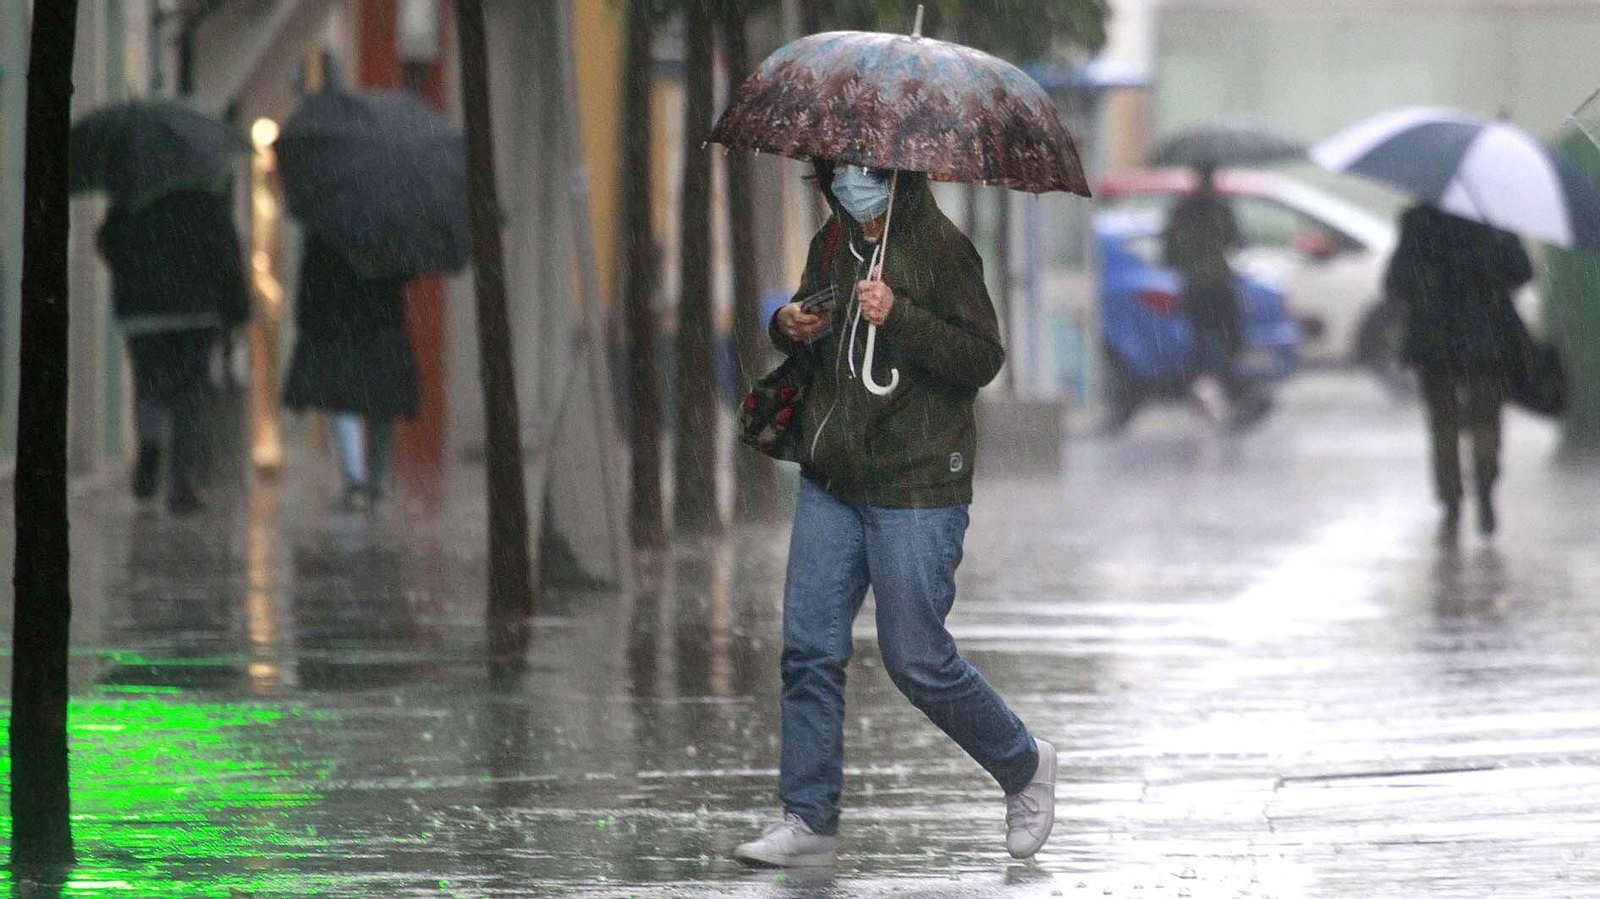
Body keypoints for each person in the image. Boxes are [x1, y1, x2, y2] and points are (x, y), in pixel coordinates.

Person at [732, 163, 1056, 868]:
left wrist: (900, 315)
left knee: (916, 659)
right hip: (832, 478)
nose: (852, 180)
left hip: (915, 486)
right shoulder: (833, 241)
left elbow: (981, 356)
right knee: (810, 648)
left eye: (866, 169)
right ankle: (807, 813)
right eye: (839, 168)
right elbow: (815, 328)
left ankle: (1023, 763)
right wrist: (787, 323)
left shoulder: (941, 248)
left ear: (896, 172)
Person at [1384, 204, 1532, 544]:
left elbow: (1395, 282)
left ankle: (1450, 498)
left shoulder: (1419, 221)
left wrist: (1428, 289)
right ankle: (1484, 481)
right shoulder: (1496, 219)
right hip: (1487, 338)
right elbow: (1522, 273)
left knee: (1442, 421)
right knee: (1486, 418)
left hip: (1434, 339)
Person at [98, 188, 250, 514]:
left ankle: (151, 443)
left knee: (148, 382)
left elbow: (108, 242)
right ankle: (183, 478)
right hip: (195, 312)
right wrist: (237, 309)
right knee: (191, 391)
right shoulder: (207, 199)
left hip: (143, 310)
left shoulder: (133, 195)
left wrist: (136, 266)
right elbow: (227, 254)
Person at [283, 236, 418, 509]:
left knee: (344, 396)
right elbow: (405, 272)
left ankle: (356, 479)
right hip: (381, 320)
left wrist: (308, 317)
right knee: (381, 400)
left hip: (340, 320)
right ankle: (375, 479)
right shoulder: (387, 226)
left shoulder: (326, 226)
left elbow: (311, 279)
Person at [1163, 165, 1266, 425]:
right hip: (1216, 287)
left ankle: (1204, 390)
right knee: (1229, 342)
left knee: (1203, 345)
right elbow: (1238, 242)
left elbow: (1169, 255)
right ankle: (1221, 390)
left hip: (1195, 289)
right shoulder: (1218, 210)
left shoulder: (1180, 212)